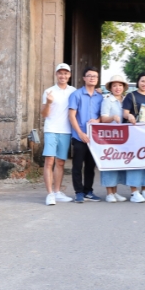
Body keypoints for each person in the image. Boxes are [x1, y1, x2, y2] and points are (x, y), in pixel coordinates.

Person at [40, 63, 76, 206]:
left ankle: (57, 192)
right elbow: (44, 114)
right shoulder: (49, 91)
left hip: (66, 130)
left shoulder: (73, 91)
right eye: (60, 73)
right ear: (56, 75)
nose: (63, 76)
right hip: (51, 129)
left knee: (61, 162)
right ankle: (49, 194)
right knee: (49, 161)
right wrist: (48, 103)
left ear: (69, 75)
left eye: (66, 73)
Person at [68, 67, 103, 203]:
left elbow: (102, 116)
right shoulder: (76, 95)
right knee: (77, 166)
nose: (92, 78)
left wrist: (98, 120)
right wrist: (80, 133)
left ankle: (89, 191)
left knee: (90, 166)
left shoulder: (100, 97)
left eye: (95, 76)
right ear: (84, 78)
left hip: (94, 137)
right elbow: (72, 116)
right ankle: (78, 192)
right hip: (79, 136)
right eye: (89, 76)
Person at [122, 72, 145, 203]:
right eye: (143, 81)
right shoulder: (130, 96)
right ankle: (134, 191)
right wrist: (129, 116)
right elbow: (125, 113)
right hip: (135, 133)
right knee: (135, 161)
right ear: (138, 82)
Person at [99, 75, 129, 203]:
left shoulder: (126, 100)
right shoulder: (107, 100)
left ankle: (115, 192)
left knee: (117, 164)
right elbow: (103, 118)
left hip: (123, 137)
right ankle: (109, 193)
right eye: (115, 85)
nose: (117, 88)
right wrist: (112, 118)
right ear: (111, 88)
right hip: (109, 137)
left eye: (120, 85)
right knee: (109, 163)